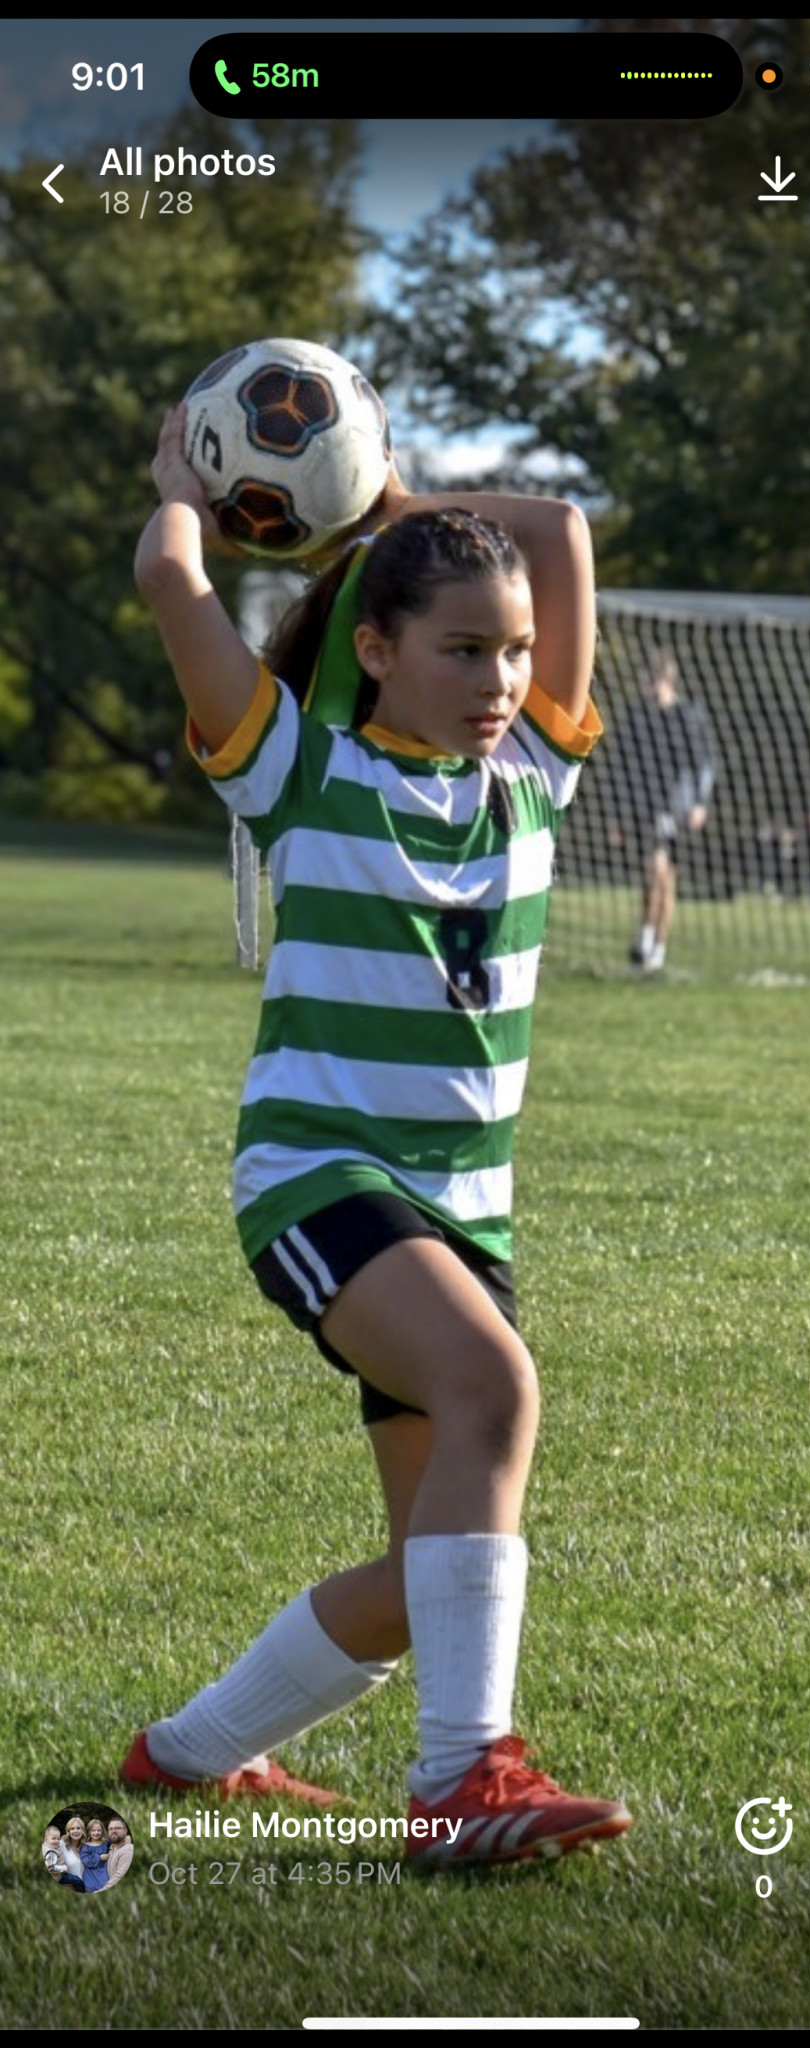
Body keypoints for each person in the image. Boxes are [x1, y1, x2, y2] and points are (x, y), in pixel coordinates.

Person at [120, 402, 632, 1869]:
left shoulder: (531, 783)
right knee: (493, 1387)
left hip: (463, 1215)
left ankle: (189, 1752)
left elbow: (559, 531)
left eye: (514, 652)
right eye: (463, 649)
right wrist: (182, 485)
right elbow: (172, 578)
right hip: (319, 1180)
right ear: (378, 648)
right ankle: (464, 1779)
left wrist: (387, 498)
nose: (501, 680)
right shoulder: (299, 772)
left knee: (429, 1578)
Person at [615, 648, 716, 973]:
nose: (644, 688)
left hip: (679, 807)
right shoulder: (637, 716)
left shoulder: (689, 715)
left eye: (649, 681)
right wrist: (619, 813)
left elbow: (705, 764)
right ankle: (645, 940)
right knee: (653, 873)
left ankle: (655, 948)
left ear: (664, 680)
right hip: (648, 805)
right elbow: (623, 765)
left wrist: (700, 803)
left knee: (666, 878)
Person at [78, 1817, 112, 1894]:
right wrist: (100, 1857)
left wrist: (127, 1838)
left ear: (102, 1831)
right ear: (89, 1832)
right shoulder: (86, 1846)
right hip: (91, 1875)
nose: (96, 1833)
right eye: (93, 1830)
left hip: (104, 1873)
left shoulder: (106, 1843)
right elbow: (86, 1861)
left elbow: (116, 1843)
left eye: (99, 1830)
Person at [58, 1817, 88, 1891]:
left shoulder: (86, 1846)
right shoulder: (61, 1844)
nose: (75, 1831)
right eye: (72, 1828)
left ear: (82, 1830)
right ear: (68, 1831)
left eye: (78, 1828)